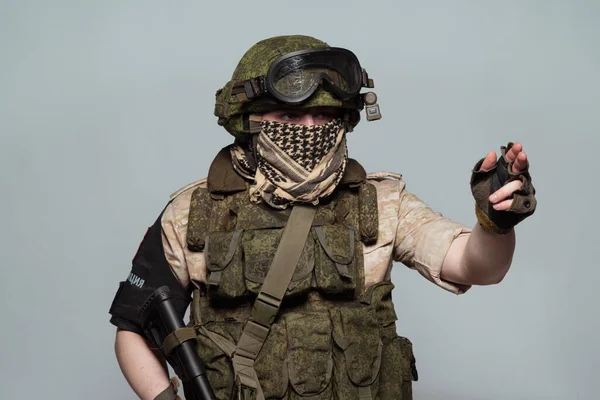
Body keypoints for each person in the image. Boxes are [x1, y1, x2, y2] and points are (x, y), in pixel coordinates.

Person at [109, 35, 536, 400]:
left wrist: (495, 221)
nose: (311, 127)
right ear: (249, 121)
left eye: (326, 115)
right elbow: (133, 326)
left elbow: (477, 266)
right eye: (290, 116)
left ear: (346, 119)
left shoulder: (381, 202)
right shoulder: (193, 213)